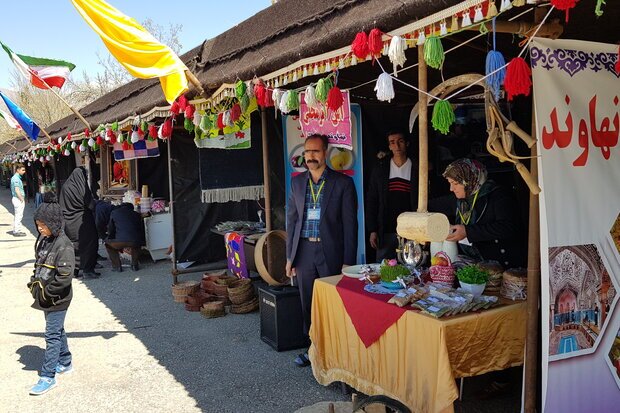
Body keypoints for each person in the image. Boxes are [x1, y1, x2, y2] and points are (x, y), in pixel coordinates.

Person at [286, 134, 358, 367]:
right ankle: (313, 349)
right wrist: (290, 256)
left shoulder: (343, 183)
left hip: (331, 251)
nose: (310, 157)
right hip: (305, 250)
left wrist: (348, 260)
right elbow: (292, 221)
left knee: (333, 302)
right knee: (308, 302)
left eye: (315, 152)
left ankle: (337, 352)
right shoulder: (297, 183)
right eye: (307, 152)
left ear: (325, 153)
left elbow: (350, 224)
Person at [431, 158, 526, 268]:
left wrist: (468, 232)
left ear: (469, 180)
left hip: (500, 266)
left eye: (455, 183)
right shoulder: (460, 200)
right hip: (472, 266)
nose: (451, 188)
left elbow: (508, 227)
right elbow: (427, 205)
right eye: (450, 183)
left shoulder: (498, 196)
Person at [27, 193, 75, 395]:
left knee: (51, 334)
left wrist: (47, 293)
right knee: (57, 330)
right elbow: (38, 264)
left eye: (43, 225)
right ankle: (65, 360)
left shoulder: (64, 245)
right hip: (45, 297)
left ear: (54, 224)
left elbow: (65, 277)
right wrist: (33, 283)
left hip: (58, 299)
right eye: (38, 224)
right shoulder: (45, 240)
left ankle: (48, 376)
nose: (40, 228)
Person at [366, 131, 418, 261]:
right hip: (386, 230)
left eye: (400, 141)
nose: (397, 146)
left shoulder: (417, 168)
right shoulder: (380, 170)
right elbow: (372, 201)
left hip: (412, 231)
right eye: (392, 142)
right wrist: (373, 230)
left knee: (412, 269)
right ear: (389, 146)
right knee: (384, 270)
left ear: (407, 144)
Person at [59, 167, 100, 279]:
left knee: (74, 246)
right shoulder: (81, 187)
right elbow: (90, 203)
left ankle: (75, 270)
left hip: (68, 222)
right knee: (89, 244)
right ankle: (88, 270)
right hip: (82, 221)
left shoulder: (66, 187)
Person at [104, 202, 144, 272]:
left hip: (120, 241)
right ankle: (135, 265)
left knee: (108, 245)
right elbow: (140, 229)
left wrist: (111, 237)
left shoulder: (114, 213)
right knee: (136, 244)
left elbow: (111, 228)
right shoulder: (136, 214)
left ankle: (117, 267)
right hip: (134, 240)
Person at [10, 163, 27, 237]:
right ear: (18, 170)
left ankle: (17, 229)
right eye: (22, 170)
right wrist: (22, 199)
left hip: (17, 199)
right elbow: (17, 190)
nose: (24, 171)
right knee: (18, 215)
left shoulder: (16, 178)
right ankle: (16, 231)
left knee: (19, 215)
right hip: (17, 199)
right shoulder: (16, 178)